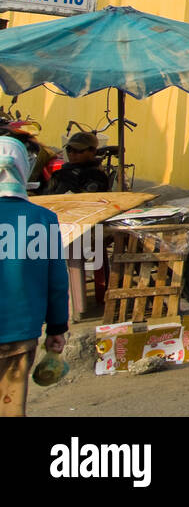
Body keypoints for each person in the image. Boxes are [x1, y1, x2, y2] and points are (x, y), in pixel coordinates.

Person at [0, 135, 68, 416]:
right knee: (11, 408)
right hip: (20, 333)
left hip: (20, 331)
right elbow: (57, 281)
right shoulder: (43, 219)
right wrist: (56, 327)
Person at [46, 132, 113, 195]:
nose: (71, 154)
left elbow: (91, 201)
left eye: (78, 150)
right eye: (69, 149)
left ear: (92, 151)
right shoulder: (64, 172)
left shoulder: (96, 175)